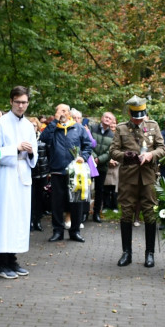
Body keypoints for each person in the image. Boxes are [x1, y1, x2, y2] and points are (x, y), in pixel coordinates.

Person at [0, 87, 37, 278]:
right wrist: (14, 148)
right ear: (11, 102)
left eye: (24, 102)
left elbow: (35, 154)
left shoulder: (28, 126)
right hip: (5, 176)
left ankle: (13, 260)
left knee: (18, 219)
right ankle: (1, 262)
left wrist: (31, 152)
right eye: (18, 102)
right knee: (5, 218)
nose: (21, 106)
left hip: (22, 174)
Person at [109, 96, 165, 267]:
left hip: (148, 176)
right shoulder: (121, 129)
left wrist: (151, 155)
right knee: (126, 213)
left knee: (149, 213)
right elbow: (113, 151)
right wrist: (125, 156)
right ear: (130, 113)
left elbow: (162, 148)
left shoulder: (153, 126)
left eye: (141, 116)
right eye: (135, 116)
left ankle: (150, 253)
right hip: (128, 177)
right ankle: (127, 253)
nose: (138, 119)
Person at [41, 103, 93, 242]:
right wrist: (54, 122)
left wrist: (84, 156)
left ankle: (75, 231)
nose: (62, 113)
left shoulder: (79, 128)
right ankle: (57, 231)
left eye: (64, 110)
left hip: (75, 172)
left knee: (76, 202)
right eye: (59, 111)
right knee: (57, 203)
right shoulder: (53, 128)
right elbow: (43, 138)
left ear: (69, 113)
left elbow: (88, 146)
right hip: (57, 170)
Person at [90, 112, 116, 222]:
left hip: (102, 166)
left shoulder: (113, 135)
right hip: (89, 163)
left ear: (112, 122)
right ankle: (83, 213)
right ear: (101, 118)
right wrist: (93, 157)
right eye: (106, 117)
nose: (107, 119)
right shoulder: (92, 128)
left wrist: (99, 159)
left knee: (99, 190)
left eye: (110, 118)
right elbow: (87, 143)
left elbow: (110, 151)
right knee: (85, 188)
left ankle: (96, 213)